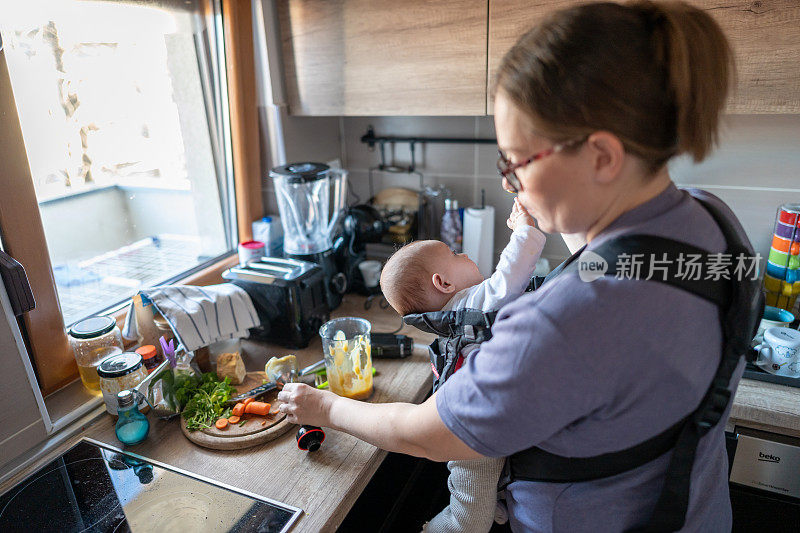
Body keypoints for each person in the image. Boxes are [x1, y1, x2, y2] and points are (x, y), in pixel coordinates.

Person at [279, 1, 755, 530]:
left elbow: (426, 434)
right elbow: (616, 270)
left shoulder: (561, 321)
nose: (511, 182)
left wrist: (325, 409)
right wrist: (547, 212)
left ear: (601, 157)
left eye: (516, 162)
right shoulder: (711, 220)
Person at [380, 198, 546, 532]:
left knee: (487, 492)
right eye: (456, 255)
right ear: (443, 283)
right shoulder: (472, 305)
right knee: (468, 518)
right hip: (473, 435)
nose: (466, 254)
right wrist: (525, 230)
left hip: (477, 422)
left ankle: (494, 506)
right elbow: (512, 273)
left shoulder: (456, 319)